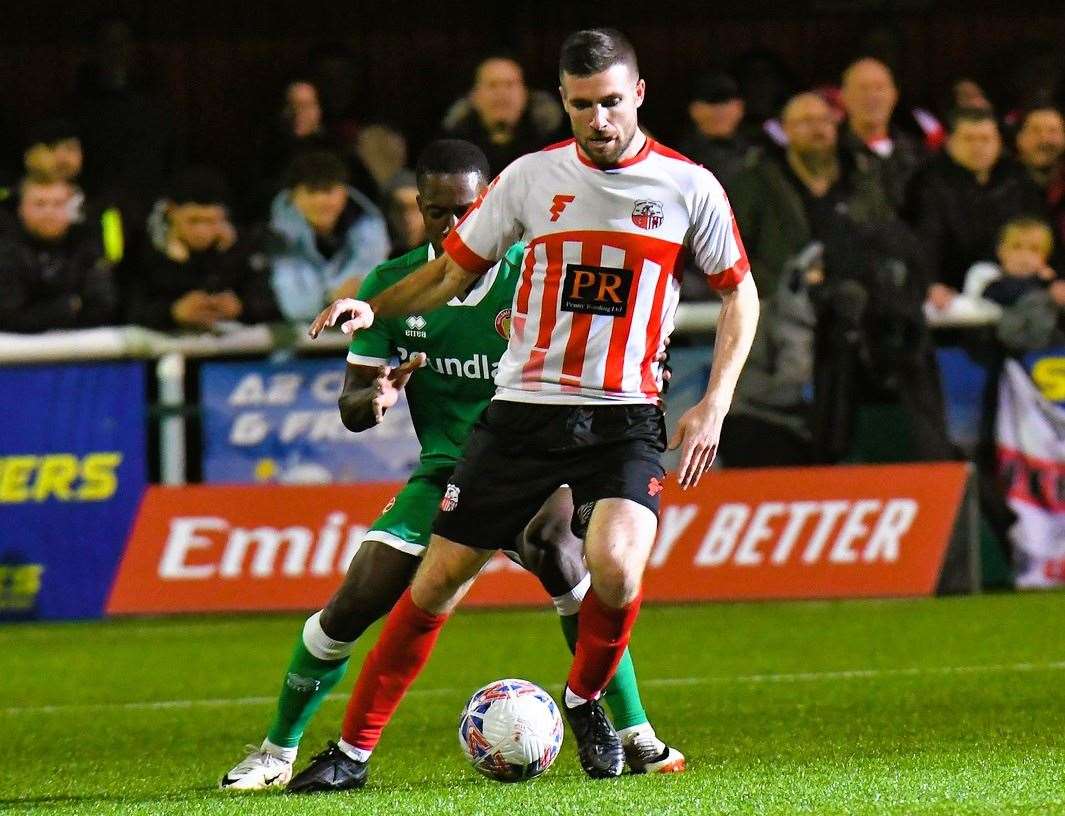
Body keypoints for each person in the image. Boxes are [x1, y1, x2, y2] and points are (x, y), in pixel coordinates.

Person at [295, 28, 758, 789]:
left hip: (624, 413)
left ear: (637, 95)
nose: (598, 119)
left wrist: (714, 402)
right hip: (523, 413)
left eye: (611, 102)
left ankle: (583, 702)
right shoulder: (529, 179)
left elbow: (739, 291)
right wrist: (366, 307)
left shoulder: (688, 186)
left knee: (612, 564)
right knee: (435, 580)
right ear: (564, 102)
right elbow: (447, 274)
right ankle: (348, 756)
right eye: (582, 105)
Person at [220, 139, 682, 792]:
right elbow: (353, 405)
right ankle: (275, 751)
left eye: (466, 209)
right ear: (418, 209)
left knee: (561, 550)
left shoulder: (537, 274)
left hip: (533, 462)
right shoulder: (391, 286)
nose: (453, 225)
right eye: (436, 212)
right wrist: (374, 396)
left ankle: (630, 733)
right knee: (359, 596)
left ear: (492, 201)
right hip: (445, 472)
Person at [907, 107, 1044, 311]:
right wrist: (930, 284)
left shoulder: (1018, 182)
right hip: (953, 294)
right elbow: (926, 241)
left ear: (998, 143)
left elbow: (1042, 233)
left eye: (985, 139)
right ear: (951, 143)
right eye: (969, 139)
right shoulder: (928, 184)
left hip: (1019, 285)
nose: (978, 146)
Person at [126, 167, 280, 331]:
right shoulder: (143, 247)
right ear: (171, 212)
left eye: (212, 221)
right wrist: (172, 312)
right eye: (194, 221)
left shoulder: (241, 247)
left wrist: (241, 307)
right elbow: (129, 308)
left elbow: (272, 303)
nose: (203, 232)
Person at [267, 150, 390, 322]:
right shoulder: (276, 236)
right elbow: (296, 308)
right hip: (299, 343)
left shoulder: (369, 227)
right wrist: (335, 297)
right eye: (312, 192)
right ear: (293, 196)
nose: (321, 201)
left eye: (329, 190)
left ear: (344, 192)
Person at [0, 176, 117, 332]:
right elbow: (10, 317)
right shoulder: (7, 250)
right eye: (39, 204)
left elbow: (103, 305)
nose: (49, 212)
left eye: (58, 204)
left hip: (84, 348)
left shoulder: (86, 247)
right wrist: (67, 307)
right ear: (21, 209)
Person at [441, 55, 566, 176]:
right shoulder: (449, 160)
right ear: (475, 96)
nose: (502, 93)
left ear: (525, 95)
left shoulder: (557, 155)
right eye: (492, 85)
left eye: (509, 84)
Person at [838, 57, 926, 215]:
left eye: (879, 88)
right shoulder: (832, 153)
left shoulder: (919, 154)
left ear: (894, 95)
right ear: (844, 96)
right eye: (863, 88)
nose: (872, 96)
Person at [677, 71, 752, 190]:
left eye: (725, 102)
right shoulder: (680, 159)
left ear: (740, 107)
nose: (719, 111)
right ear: (693, 109)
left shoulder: (758, 148)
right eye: (710, 102)